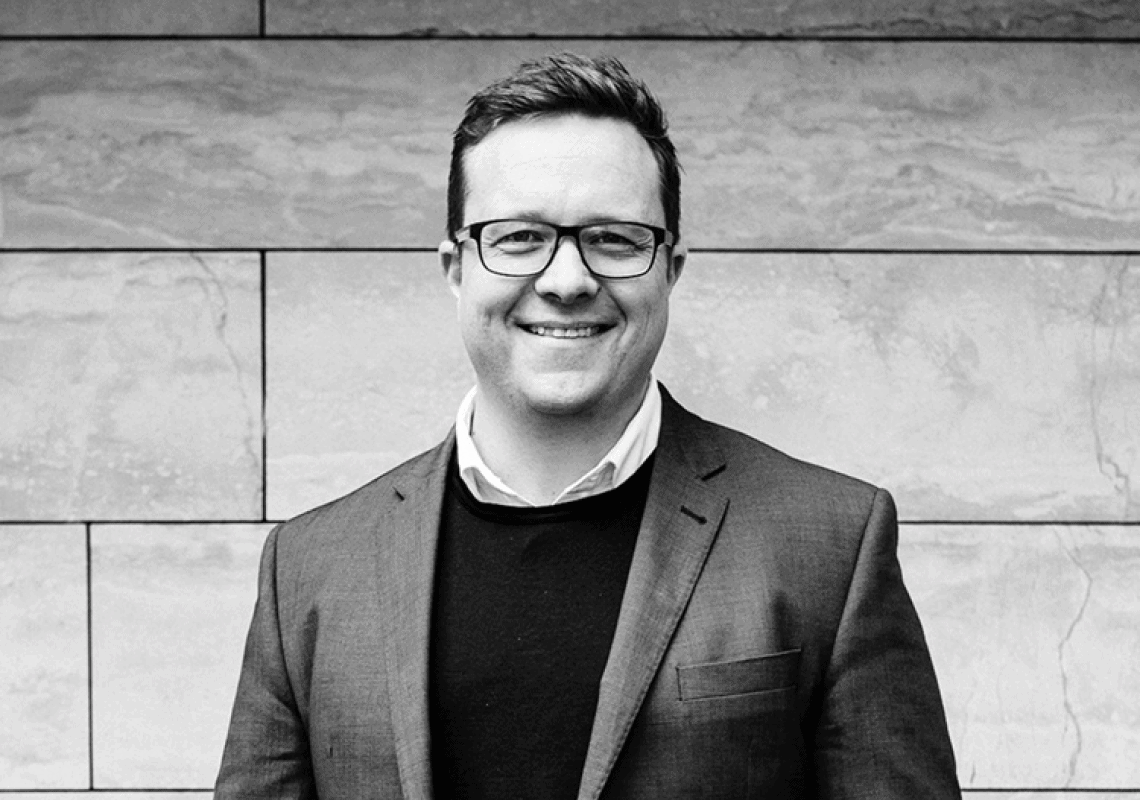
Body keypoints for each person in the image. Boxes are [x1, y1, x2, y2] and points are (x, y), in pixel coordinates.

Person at [215, 53, 960, 799]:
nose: (567, 280)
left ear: (671, 267)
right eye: (518, 237)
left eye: (614, 239)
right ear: (456, 267)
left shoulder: (831, 543)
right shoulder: (309, 568)